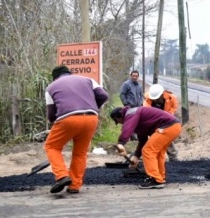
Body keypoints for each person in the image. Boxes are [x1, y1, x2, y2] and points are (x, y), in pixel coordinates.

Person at [43, 64, 109, 196]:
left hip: (67, 119)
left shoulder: (50, 87)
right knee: (80, 152)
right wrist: (94, 106)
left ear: (54, 77)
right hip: (91, 118)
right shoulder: (87, 80)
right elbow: (103, 95)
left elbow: (51, 114)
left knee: (52, 146)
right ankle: (74, 185)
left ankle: (62, 176)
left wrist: (54, 124)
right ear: (69, 73)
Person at [110, 104, 182, 189]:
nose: (119, 124)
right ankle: (160, 178)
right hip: (174, 127)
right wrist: (136, 156)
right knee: (157, 152)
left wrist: (121, 143)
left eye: (117, 122)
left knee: (148, 151)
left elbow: (127, 128)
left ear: (118, 117)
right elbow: (143, 141)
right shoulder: (136, 117)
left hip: (167, 126)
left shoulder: (131, 113)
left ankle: (155, 179)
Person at [144, 83, 180, 159]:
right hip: (154, 121)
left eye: (157, 98)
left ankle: (173, 157)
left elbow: (173, 108)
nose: (155, 100)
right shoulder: (147, 101)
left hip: (167, 120)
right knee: (155, 139)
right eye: (154, 99)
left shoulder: (171, 98)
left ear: (162, 94)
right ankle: (156, 157)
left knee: (167, 138)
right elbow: (148, 113)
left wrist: (166, 117)